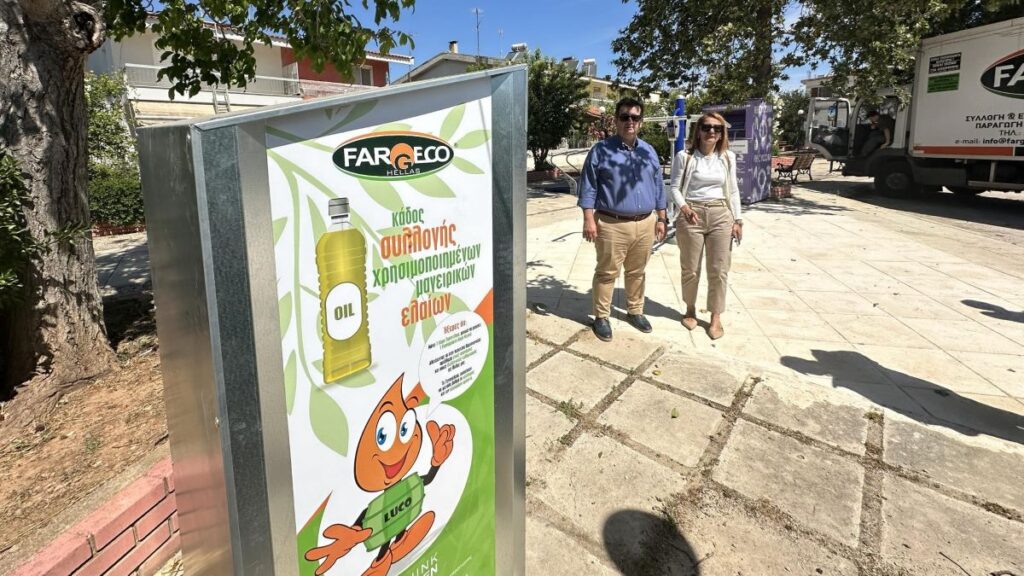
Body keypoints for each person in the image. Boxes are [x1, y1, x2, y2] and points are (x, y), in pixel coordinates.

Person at [578, 97, 668, 342]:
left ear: (641, 122)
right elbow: (588, 186)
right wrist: (588, 219)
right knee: (607, 272)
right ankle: (601, 316)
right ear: (616, 120)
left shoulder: (648, 151)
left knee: (637, 271)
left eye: (635, 117)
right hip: (611, 223)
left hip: (645, 223)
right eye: (625, 117)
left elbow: (658, 186)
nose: (630, 121)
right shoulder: (601, 151)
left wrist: (662, 218)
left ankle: (635, 311)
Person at [668, 112, 742, 340]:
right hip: (692, 214)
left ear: (722, 134)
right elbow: (674, 188)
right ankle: (690, 308)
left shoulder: (727, 157)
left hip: (721, 214)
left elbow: (733, 191)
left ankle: (715, 316)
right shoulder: (685, 156)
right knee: (690, 268)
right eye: (707, 127)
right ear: (698, 131)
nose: (712, 131)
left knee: (719, 269)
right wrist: (684, 208)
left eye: (717, 128)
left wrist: (738, 220)